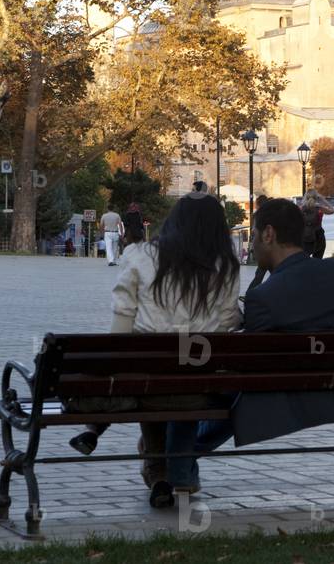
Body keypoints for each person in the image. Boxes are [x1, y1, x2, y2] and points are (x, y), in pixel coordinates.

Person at [66, 191, 241, 508]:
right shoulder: (226, 267)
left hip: (145, 385)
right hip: (198, 387)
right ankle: (170, 473)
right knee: (177, 375)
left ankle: (157, 471)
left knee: (148, 373)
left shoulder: (139, 256)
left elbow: (119, 332)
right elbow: (228, 322)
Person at [187, 198, 334, 468]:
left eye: (253, 235)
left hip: (285, 391)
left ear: (269, 234)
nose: (252, 244)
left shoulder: (262, 298)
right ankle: (180, 456)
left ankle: (178, 453)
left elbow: (247, 368)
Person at [300, 189, 334, 258]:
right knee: (318, 258)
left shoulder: (302, 208)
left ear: (306, 197)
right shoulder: (319, 208)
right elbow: (332, 210)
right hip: (318, 234)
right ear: (317, 197)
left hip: (305, 234)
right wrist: (323, 199)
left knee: (304, 258)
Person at [247, 195, 271, 290]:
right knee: (262, 272)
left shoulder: (258, 215)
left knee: (260, 273)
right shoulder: (270, 214)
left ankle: (250, 293)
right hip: (269, 246)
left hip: (263, 246)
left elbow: (255, 231)